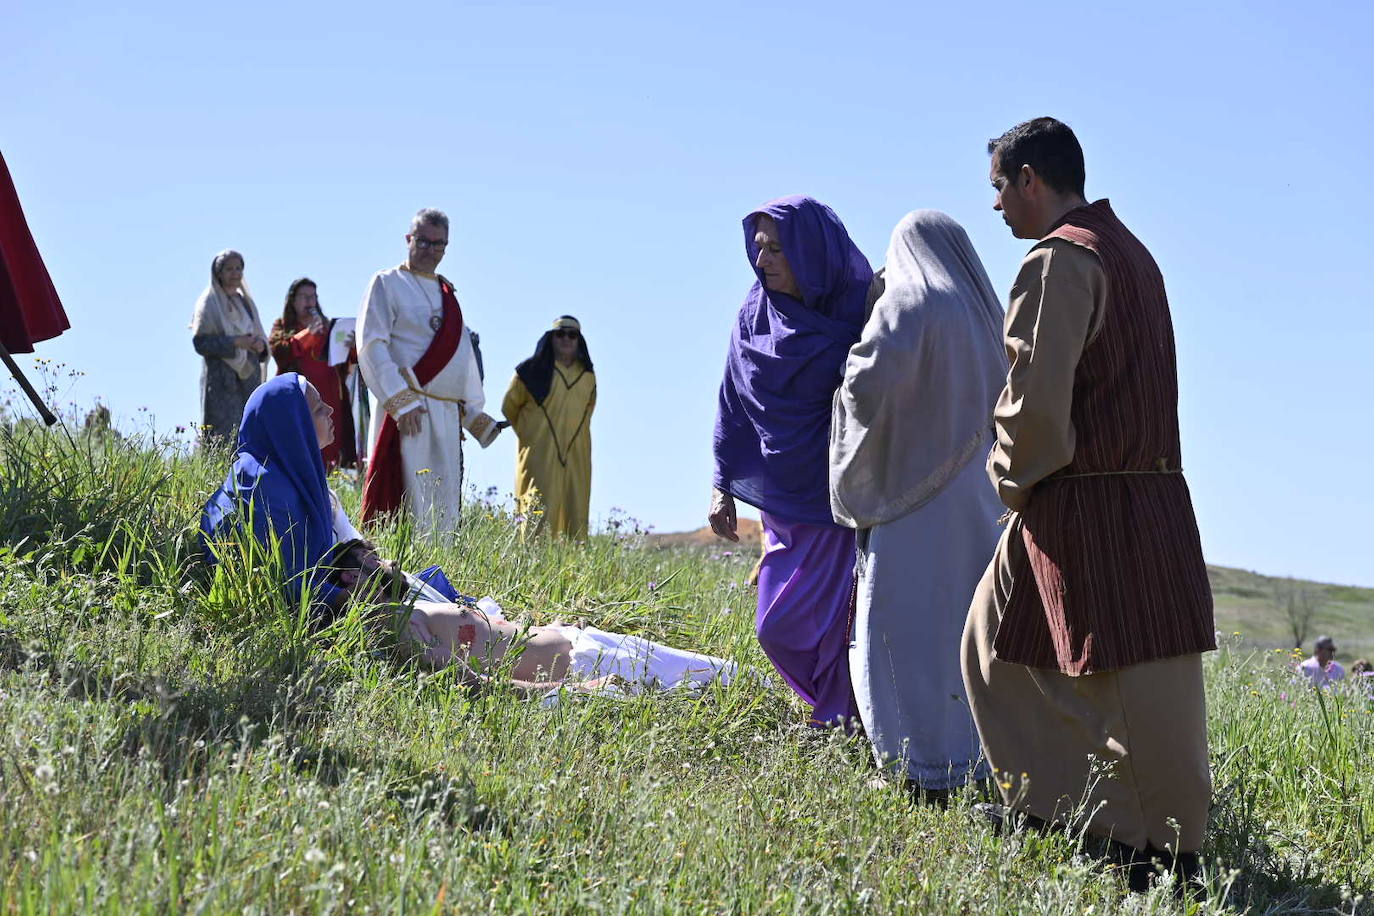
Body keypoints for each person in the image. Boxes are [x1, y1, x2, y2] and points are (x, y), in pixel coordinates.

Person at [961, 118, 1216, 892]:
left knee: (1137, 687)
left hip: (1085, 502)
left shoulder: (1058, 261)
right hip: (1148, 494)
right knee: (996, 648)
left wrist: (1008, 476)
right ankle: (1059, 812)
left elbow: (1036, 403)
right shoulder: (1129, 251)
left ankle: (1158, 853)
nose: (998, 208)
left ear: (1030, 179)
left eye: (1000, 189)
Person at [830, 211, 1005, 792]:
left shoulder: (909, 301)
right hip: (980, 500)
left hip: (914, 503)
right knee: (966, 631)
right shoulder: (988, 314)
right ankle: (976, 760)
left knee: (902, 633)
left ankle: (915, 762)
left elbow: (865, 384)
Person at [710, 195, 872, 726]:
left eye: (778, 248)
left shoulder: (860, 311)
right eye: (758, 248)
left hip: (840, 495)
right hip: (782, 496)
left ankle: (839, 719)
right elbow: (733, 399)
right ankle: (830, 711)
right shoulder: (754, 315)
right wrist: (722, 484)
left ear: (811, 250)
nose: (764, 260)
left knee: (837, 619)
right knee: (775, 627)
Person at [329, 538, 737, 695]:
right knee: (726, 684)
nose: (390, 561)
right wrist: (575, 691)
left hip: (580, 641)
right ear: (351, 576)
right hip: (587, 667)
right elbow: (473, 683)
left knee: (731, 675)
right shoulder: (402, 628)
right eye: (374, 560)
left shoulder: (413, 608)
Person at [357, 208, 502, 534]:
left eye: (439, 245)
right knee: (403, 501)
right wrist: (399, 399)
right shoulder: (387, 283)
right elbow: (372, 344)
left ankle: (437, 573)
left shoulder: (448, 294)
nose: (431, 251)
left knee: (442, 504)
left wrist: (475, 414)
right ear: (409, 239)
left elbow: (462, 355)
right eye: (424, 242)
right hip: (408, 410)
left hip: (445, 416)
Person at [200, 373, 352, 616]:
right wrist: (349, 599)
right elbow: (275, 582)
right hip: (281, 622)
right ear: (294, 423)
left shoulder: (285, 477)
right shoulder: (263, 487)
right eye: (319, 409)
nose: (331, 410)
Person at [502, 316, 596, 539]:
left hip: (577, 452)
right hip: (538, 453)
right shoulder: (529, 372)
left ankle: (573, 562)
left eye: (572, 335)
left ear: (579, 340)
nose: (566, 339)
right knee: (537, 505)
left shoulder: (588, 377)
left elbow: (588, 411)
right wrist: (530, 434)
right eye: (560, 334)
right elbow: (509, 407)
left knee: (575, 505)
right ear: (551, 338)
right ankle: (532, 559)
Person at [269, 277, 358, 470]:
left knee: (333, 449)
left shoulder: (329, 329)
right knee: (301, 448)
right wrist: (306, 334)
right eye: (304, 296)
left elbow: (348, 362)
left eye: (313, 297)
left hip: (332, 401)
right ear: (293, 301)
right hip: (300, 401)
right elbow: (278, 352)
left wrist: (351, 346)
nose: (310, 302)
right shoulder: (282, 327)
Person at [190, 250, 268, 447]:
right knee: (221, 436)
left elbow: (259, 334)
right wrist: (234, 342)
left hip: (248, 377)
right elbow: (201, 342)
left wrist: (259, 345)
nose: (235, 273)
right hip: (221, 381)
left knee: (248, 429)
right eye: (229, 269)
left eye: (238, 268)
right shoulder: (209, 303)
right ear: (218, 272)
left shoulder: (246, 302)